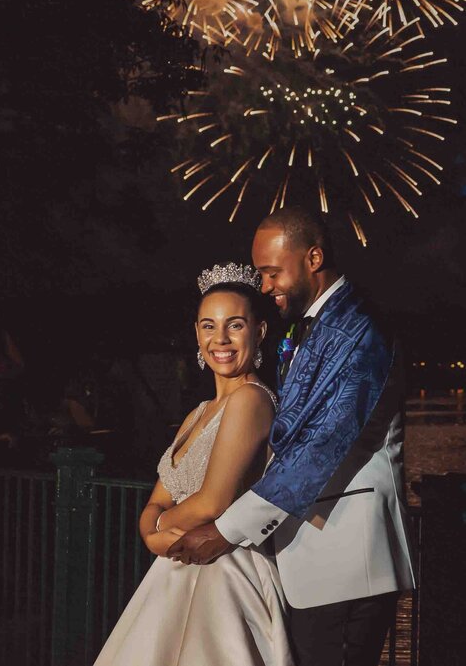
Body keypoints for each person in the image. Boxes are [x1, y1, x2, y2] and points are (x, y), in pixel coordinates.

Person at [170, 207, 415, 666]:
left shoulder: (360, 332)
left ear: (314, 258)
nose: (264, 287)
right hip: (310, 561)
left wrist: (225, 530)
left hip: (346, 564)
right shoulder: (314, 326)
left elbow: (317, 450)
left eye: (271, 272)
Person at [94, 264, 293, 666]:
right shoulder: (197, 413)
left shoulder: (251, 399)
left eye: (235, 325)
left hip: (222, 573)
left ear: (259, 332)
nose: (220, 338)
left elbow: (212, 503)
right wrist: (154, 529)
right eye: (208, 326)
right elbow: (157, 498)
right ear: (196, 333)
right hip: (176, 567)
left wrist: (156, 531)